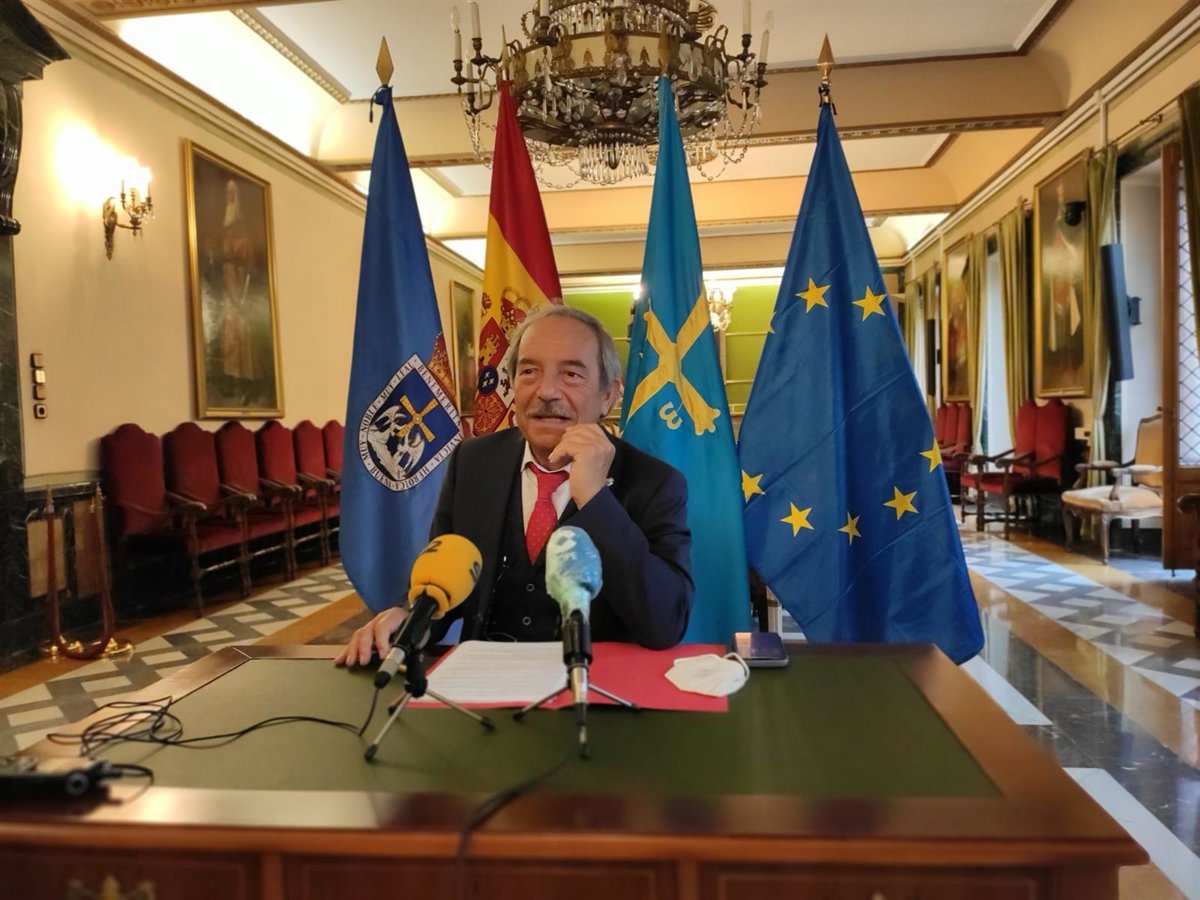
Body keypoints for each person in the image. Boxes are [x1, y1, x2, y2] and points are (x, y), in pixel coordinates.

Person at [335, 305, 694, 666]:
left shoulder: (654, 483)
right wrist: (412, 620)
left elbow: (664, 623)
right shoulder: (472, 462)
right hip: (485, 682)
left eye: (571, 374)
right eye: (529, 372)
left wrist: (596, 499)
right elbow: (447, 585)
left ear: (608, 395)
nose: (546, 392)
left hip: (593, 684)